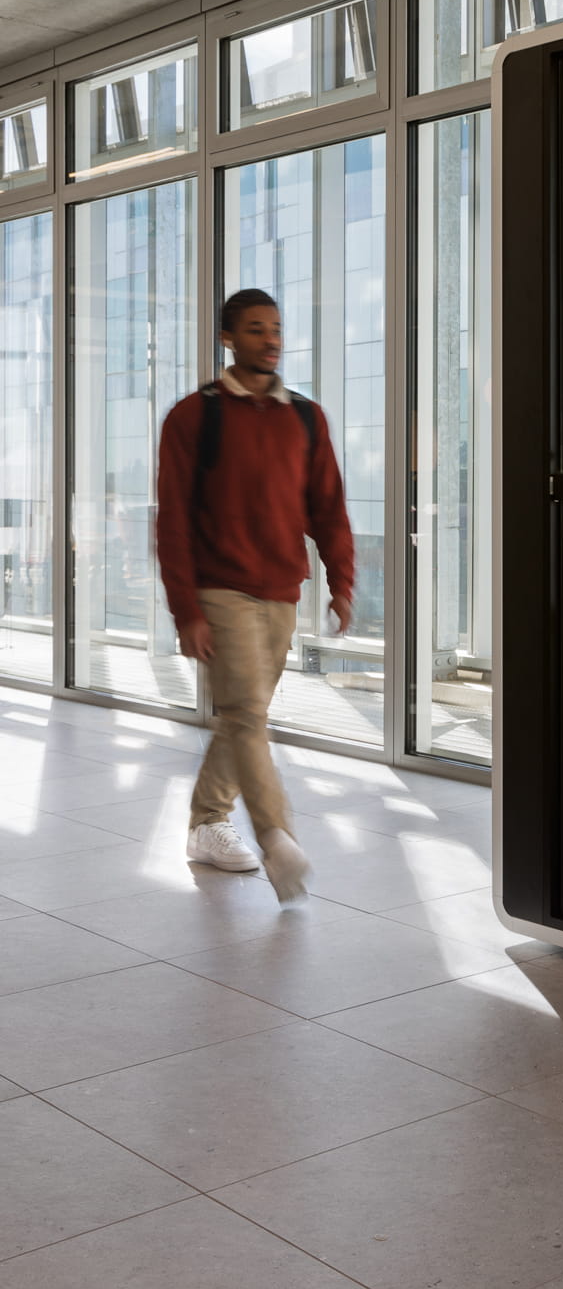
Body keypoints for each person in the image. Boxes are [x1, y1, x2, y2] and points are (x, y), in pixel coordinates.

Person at [156, 289, 354, 901]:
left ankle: (205, 822)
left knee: (246, 716)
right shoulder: (195, 416)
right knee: (246, 716)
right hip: (222, 590)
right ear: (228, 338)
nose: (270, 339)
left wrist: (340, 581)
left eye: (275, 328)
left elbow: (327, 505)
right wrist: (186, 609)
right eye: (255, 329)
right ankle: (278, 840)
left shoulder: (304, 416)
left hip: (281, 590)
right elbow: (174, 522)